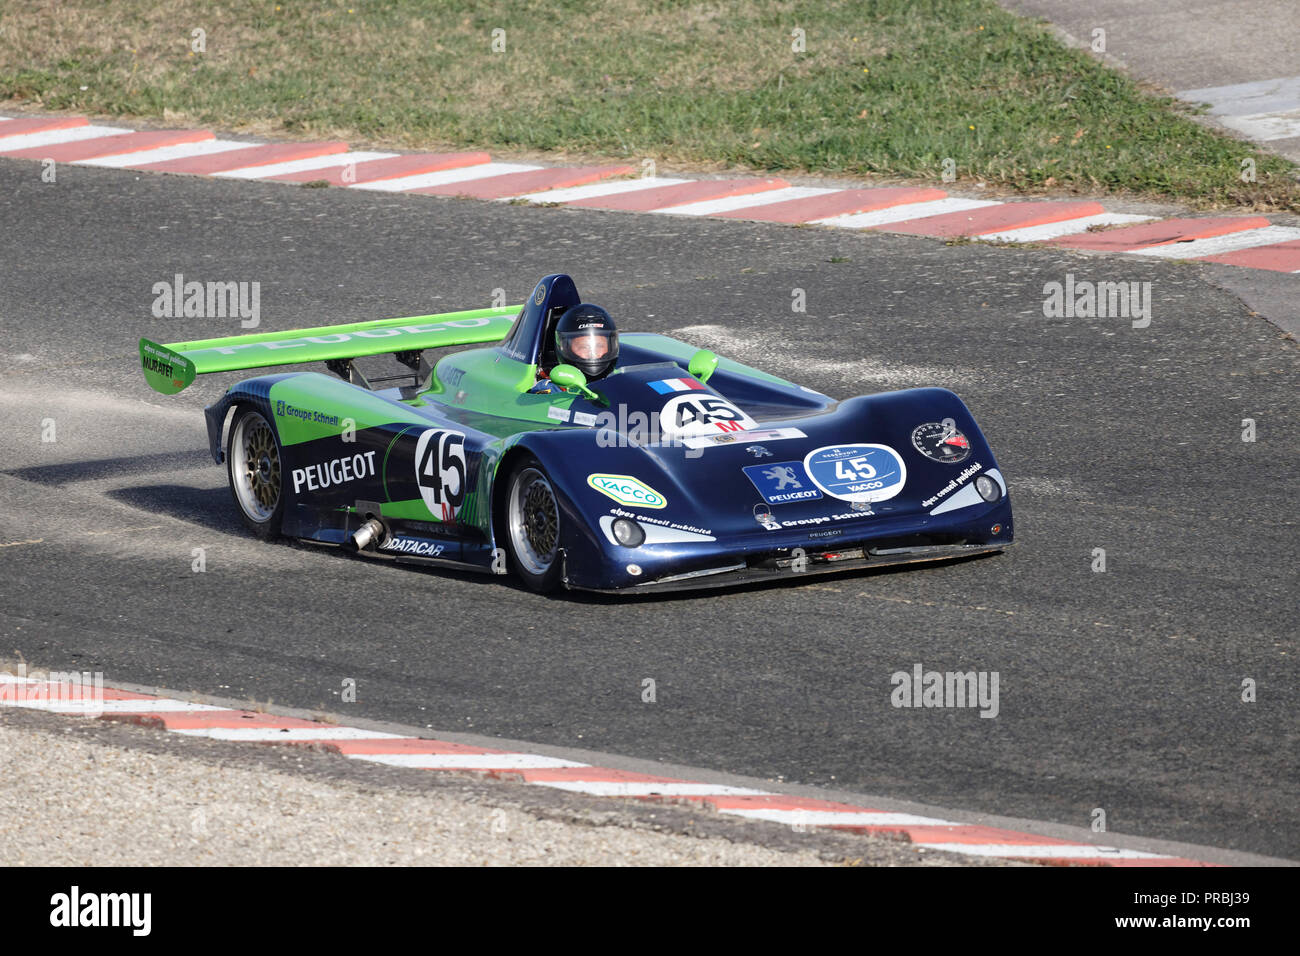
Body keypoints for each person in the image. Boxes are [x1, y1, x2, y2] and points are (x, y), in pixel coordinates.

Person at [529, 304, 619, 393]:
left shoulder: (620, 382)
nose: (592, 353)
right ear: (565, 349)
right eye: (583, 347)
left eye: (599, 346)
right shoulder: (551, 391)